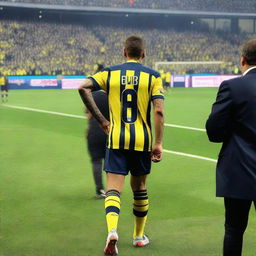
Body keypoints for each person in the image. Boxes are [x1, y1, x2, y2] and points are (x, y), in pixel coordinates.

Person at [78, 35, 164, 255]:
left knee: (114, 188)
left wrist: (101, 120)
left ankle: (112, 232)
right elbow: (159, 111)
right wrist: (159, 143)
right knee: (140, 188)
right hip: (142, 141)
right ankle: (138, 237)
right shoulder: (153, 77)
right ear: (143, 54)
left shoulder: (109, 73)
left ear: (124, 52)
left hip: (116, 138)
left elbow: (83, 87)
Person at [206, 38, 256, 256]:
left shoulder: (232, 86)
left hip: (239, 171)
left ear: (242, 60)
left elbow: (214, 130)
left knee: (234, 230)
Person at [85, 90, 109, 199]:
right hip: (109, 131)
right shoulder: (111, 94)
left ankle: (100, 191)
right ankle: (113, 189)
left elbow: (88, 115)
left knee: (96, 162)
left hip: (94, 131)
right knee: (111, 161)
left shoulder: (90, 95)